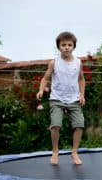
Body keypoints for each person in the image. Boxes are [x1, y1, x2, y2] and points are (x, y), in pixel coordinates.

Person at [36, 31, 85, 165]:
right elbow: (45, 78)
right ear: (58, 47)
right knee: (56, 125)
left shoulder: (78, 62)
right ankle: (55, 151)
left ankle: (74, 152)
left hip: (74, 99)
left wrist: (82, 94)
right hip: (57, 99)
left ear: (74, 46)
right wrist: (41, 90)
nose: (67, 47)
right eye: (63, 45)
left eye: (70, 45)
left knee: (79, 124)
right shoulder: (54, 63)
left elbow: (81, 79)